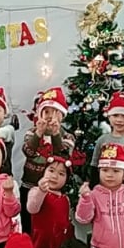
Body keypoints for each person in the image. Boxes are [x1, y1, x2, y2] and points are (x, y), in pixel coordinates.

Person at [19, 87, 76, 234]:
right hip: (30, 184)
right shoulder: (32, 132)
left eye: (55, 112)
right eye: (46, 112)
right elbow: (28, 151)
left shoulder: (67, 136)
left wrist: (56, 135)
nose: (50, 117)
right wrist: (38, 133)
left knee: (47, 224)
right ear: (40, 114)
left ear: (62, 115)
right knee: (28, 223)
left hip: (52, 189)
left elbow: (62, 156)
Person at [27, 156, 72, 248]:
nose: (55, 176)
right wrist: (41, 191)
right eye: (51, 170)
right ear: (44, 171)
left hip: (59, 245)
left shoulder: (65, 199)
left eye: (61, 174)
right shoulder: (36, 191)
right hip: (40, 243)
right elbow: (32, 208)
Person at [91, 93, 124, 189]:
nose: (119, 120)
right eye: (115, 115)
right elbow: (95, 165)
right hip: (104, 186)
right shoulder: (102, 139)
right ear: (109, 117)